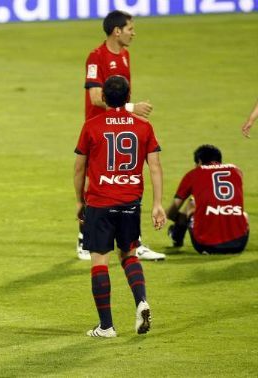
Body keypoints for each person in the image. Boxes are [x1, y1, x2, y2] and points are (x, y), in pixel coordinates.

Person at [74, 75, 166, 338]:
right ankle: (141, 302)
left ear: (103, 97)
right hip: (130, 203)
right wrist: (157, 204)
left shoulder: (91, 126)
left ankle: (106, 326)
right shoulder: (144, 127)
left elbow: (80, 167)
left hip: (100, 202)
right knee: (129, 254)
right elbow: (155, 167)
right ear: (128, 98)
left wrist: (80, 200)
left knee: (99, 260)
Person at [78, 9, 164, 261]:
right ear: (117, 31)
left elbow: (121, 95)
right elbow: (95, 98)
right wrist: (131, 109)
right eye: (130, 28)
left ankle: (133, 242)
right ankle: (84, 239)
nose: (133, 33)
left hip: (121, 126)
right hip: (98, 129)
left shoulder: (125, 56)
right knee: (96, 180)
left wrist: (130, 116)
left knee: (125, 179)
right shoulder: (96, 58)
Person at [166, 145, 249, 254]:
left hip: (206, 245)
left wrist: (179, 219)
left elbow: (171, 211)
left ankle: (176, 237)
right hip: (239, 244)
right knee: (244, 214)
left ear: (199, 161)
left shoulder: (193, 174)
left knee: (191, 203)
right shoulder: (236, 171)